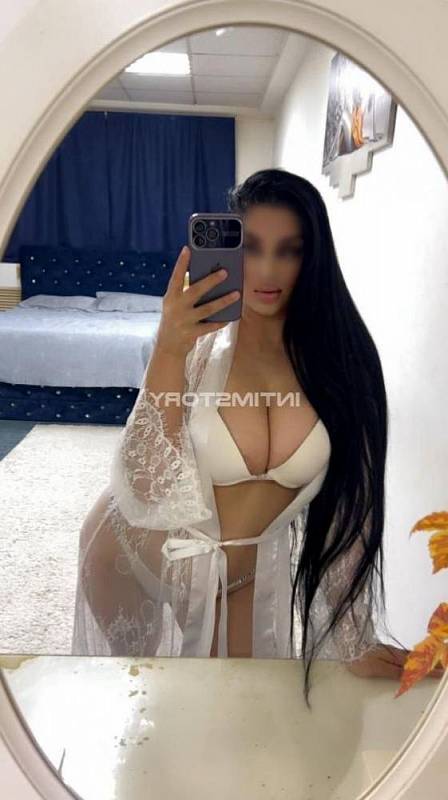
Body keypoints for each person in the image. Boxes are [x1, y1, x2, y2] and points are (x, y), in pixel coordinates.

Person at [72, 169, 441, 705]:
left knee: (250, 717)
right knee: (148, 708)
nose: (267, 270)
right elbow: (146, 493)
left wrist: (352, 637)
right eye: (251, 249)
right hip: (132, 555)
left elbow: (351, 512)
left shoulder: (345, 365)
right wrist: (169, 349)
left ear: (313, 258)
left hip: (244, 574)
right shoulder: (196, 352)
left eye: (288, 250)